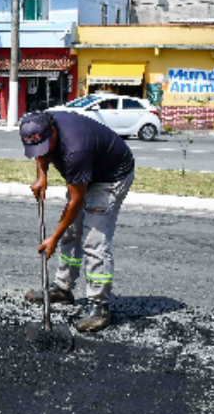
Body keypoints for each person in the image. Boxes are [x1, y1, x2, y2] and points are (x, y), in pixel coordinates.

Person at [19, 110, 136, 333]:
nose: (40, 151)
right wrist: (41, 174)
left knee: (94, 239)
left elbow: (76, 200)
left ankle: (99, 307)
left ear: (53, 132)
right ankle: (63, 289)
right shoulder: (38, 124)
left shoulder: (76, 149)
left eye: (44, 145)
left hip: (110, 176)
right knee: (72, 232)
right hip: (87, 171)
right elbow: (40, 150)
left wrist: (53, 237)